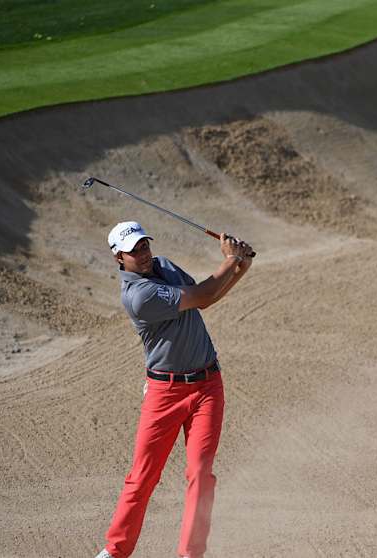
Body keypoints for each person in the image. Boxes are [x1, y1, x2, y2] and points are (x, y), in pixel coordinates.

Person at [95, 220, 253, 558]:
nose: (143, 254)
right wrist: (229, 259)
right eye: (133, 251)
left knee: (200, 473)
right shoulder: (138, 296)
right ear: (119, 259)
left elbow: (207, 299)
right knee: (143, 476)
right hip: (164, 394)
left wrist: (240, 266)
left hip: (208, 386)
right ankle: (116, 550)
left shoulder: (163, 265)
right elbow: (203, 294)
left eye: (144, 245)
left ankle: (190, 554)